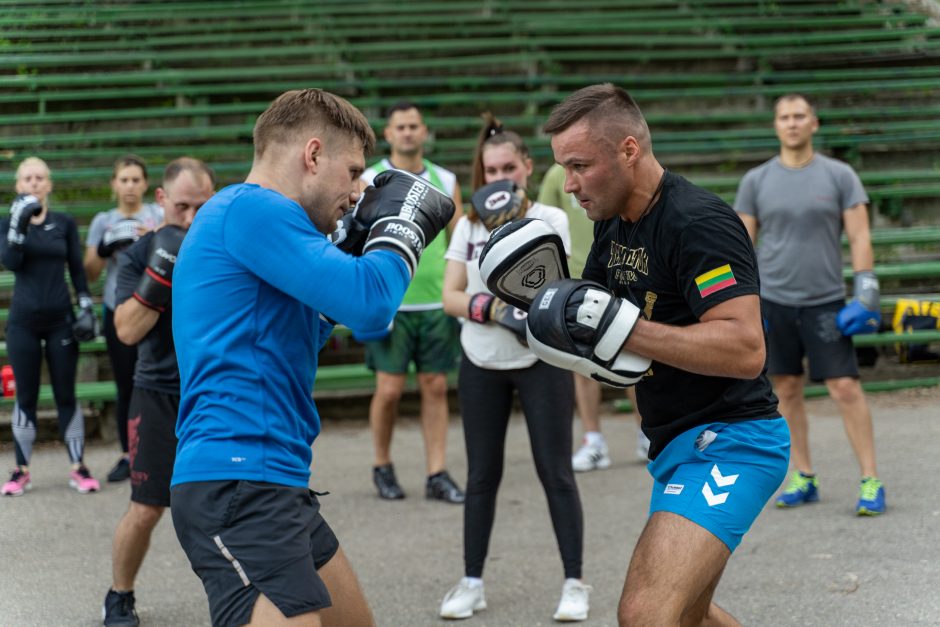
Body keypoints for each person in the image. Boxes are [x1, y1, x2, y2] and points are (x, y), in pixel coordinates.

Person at [169, 88, 455, 627]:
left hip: (275, 479)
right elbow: (372, 307)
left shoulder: (261, 221)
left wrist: (350, 250)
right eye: (352, 172)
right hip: (237, 480)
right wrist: (401, 232)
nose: (356, 192)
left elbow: (301, 333)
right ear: (313, 154)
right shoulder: (252, 208)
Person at [530, 83, 790, 625]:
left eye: (580, 166)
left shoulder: (698, 222)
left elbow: (745, 348)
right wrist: (533, 305)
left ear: (629, 150)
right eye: (563, 169)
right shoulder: (614, 224)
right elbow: (596, 334)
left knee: (645, 612)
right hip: (673, 441)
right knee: (687, 613)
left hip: (732, 441)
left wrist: (622, 328)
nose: (570, 185)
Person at [439, 116, 591, 622]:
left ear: (527, 167)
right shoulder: (467, 223)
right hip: (481, 359)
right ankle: (472, 580)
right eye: (491, 169)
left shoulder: (551, 217)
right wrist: (496, 311)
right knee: (482, 475)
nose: (500, 176)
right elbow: (451, 296)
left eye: (509, 167)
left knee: (557, 473)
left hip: (540, 359)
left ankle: (574, 583)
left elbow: (556, 288)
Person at [734, 93, 886, 516]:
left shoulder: (840, 175)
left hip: (825, 302)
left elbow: (859, 237)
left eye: (800, 116)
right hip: (774, 302)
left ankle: (871, 478)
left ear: (814, 123)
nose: (792, 123)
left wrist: (867, 291)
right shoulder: (756, 180)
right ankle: (804, 474)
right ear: (776, 125)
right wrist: (745, 305)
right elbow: (741, 247)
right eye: (784, 117)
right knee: (785, 389)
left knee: (845, 388)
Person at [101, 158, 215, 626]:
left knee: (234, 502)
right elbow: (126, 330)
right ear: (162, 200)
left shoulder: (223, 245)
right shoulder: (140, 252)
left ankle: (247, 594)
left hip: (213, 389)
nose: (190, 219)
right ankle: (119, 593)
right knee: (146, 509)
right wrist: (161, 273)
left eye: (200, 207)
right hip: (158, 392)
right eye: (182, 206)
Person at [359, 100, 464, 503]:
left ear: (423, 132)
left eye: (413, 126)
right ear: (388, 134)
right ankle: (381, 465)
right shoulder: (372, 178)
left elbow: (461, 241)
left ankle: (436, 471)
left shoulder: (446, 179)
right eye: (399, 126)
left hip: (434, 300)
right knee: (388, 390)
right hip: (389, 299)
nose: (407, 132)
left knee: (435, 386)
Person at [538, 163, 650, 469]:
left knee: (634, 352)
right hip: (577, 277)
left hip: (623, 270)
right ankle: (594, 441)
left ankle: (647, 435)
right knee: (582, 364)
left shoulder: (610, 168)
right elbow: (544, 223)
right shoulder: (555, 175)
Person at [0, 157, 101, 496]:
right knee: (25, 395)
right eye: (27, 178)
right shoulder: (7, 223)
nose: (33, 183)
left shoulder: (64, 222)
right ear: (18, 185)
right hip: (23, 321)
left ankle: (78, 467)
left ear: (49, 184)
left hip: (61, 320)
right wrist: (18, 223)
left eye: (39, 178)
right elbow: (10, 262)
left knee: (65, 395)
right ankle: (20, 470)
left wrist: (85, 306)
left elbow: (76, 268)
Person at [84, 154, 163, 483]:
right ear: (114, 184)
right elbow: (89, 272)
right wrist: (103, 248)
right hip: (118, 309)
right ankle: (127, 454)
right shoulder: (103, 220)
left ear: (145, 184)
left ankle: (161, 451)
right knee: (125, 382)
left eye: (135, 180)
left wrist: (156, 236)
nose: (130, 186)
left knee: (161, 379)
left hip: (157, 307)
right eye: (124, 180)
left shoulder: (157, 215)